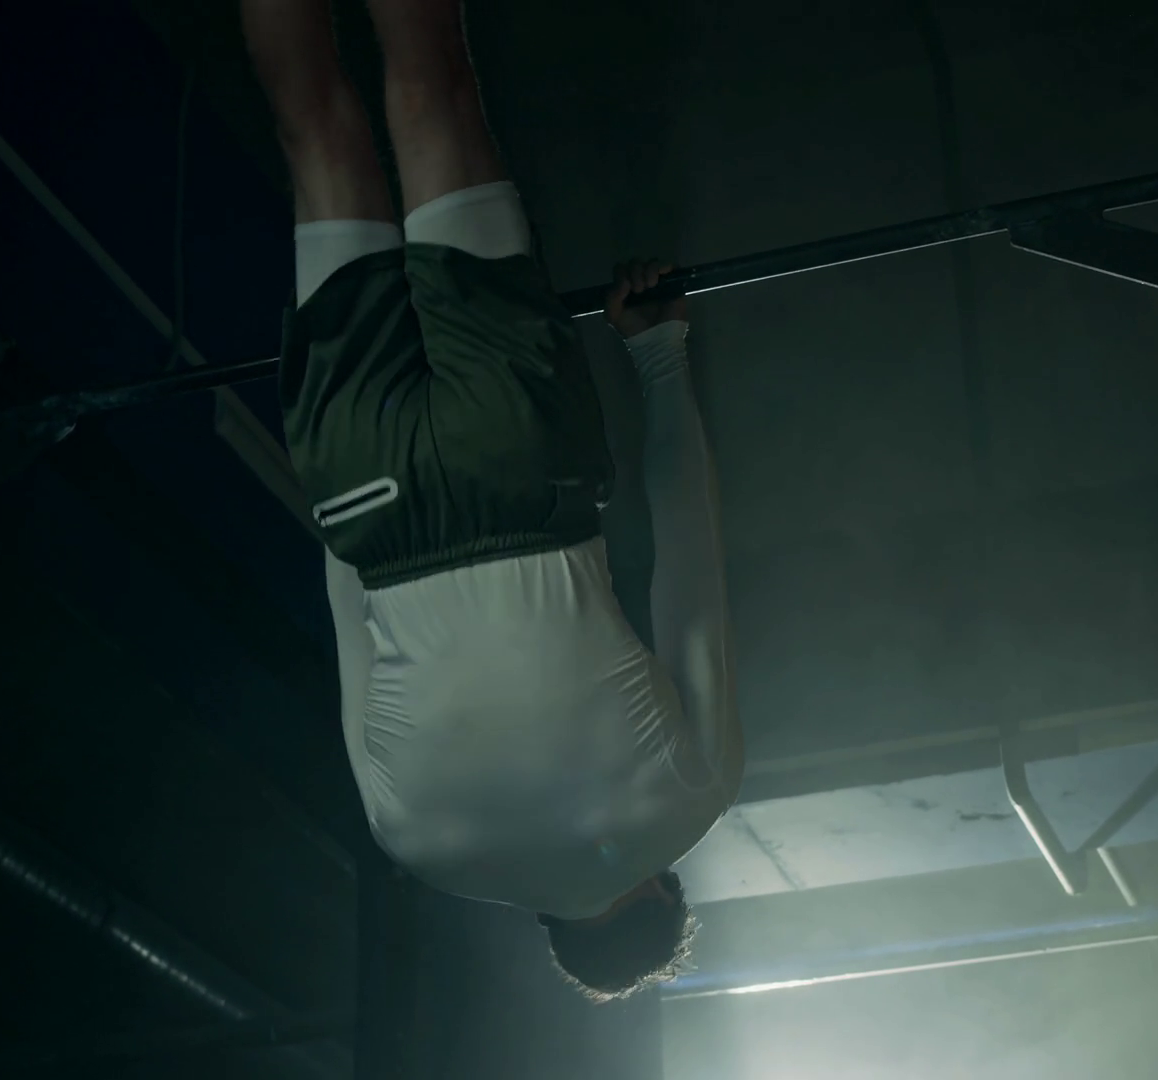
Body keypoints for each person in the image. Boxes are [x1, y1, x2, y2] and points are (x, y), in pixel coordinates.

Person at [244, 0, 742, 1001]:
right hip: (368, 500)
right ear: (558, 933)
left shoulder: (694, 803)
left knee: (435, 86)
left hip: (521, 472)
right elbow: (349, 611)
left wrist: (656, 351)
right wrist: (339, 486)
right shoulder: (416, 850)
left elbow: (689, 558)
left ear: (659, 896)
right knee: (315, 136)